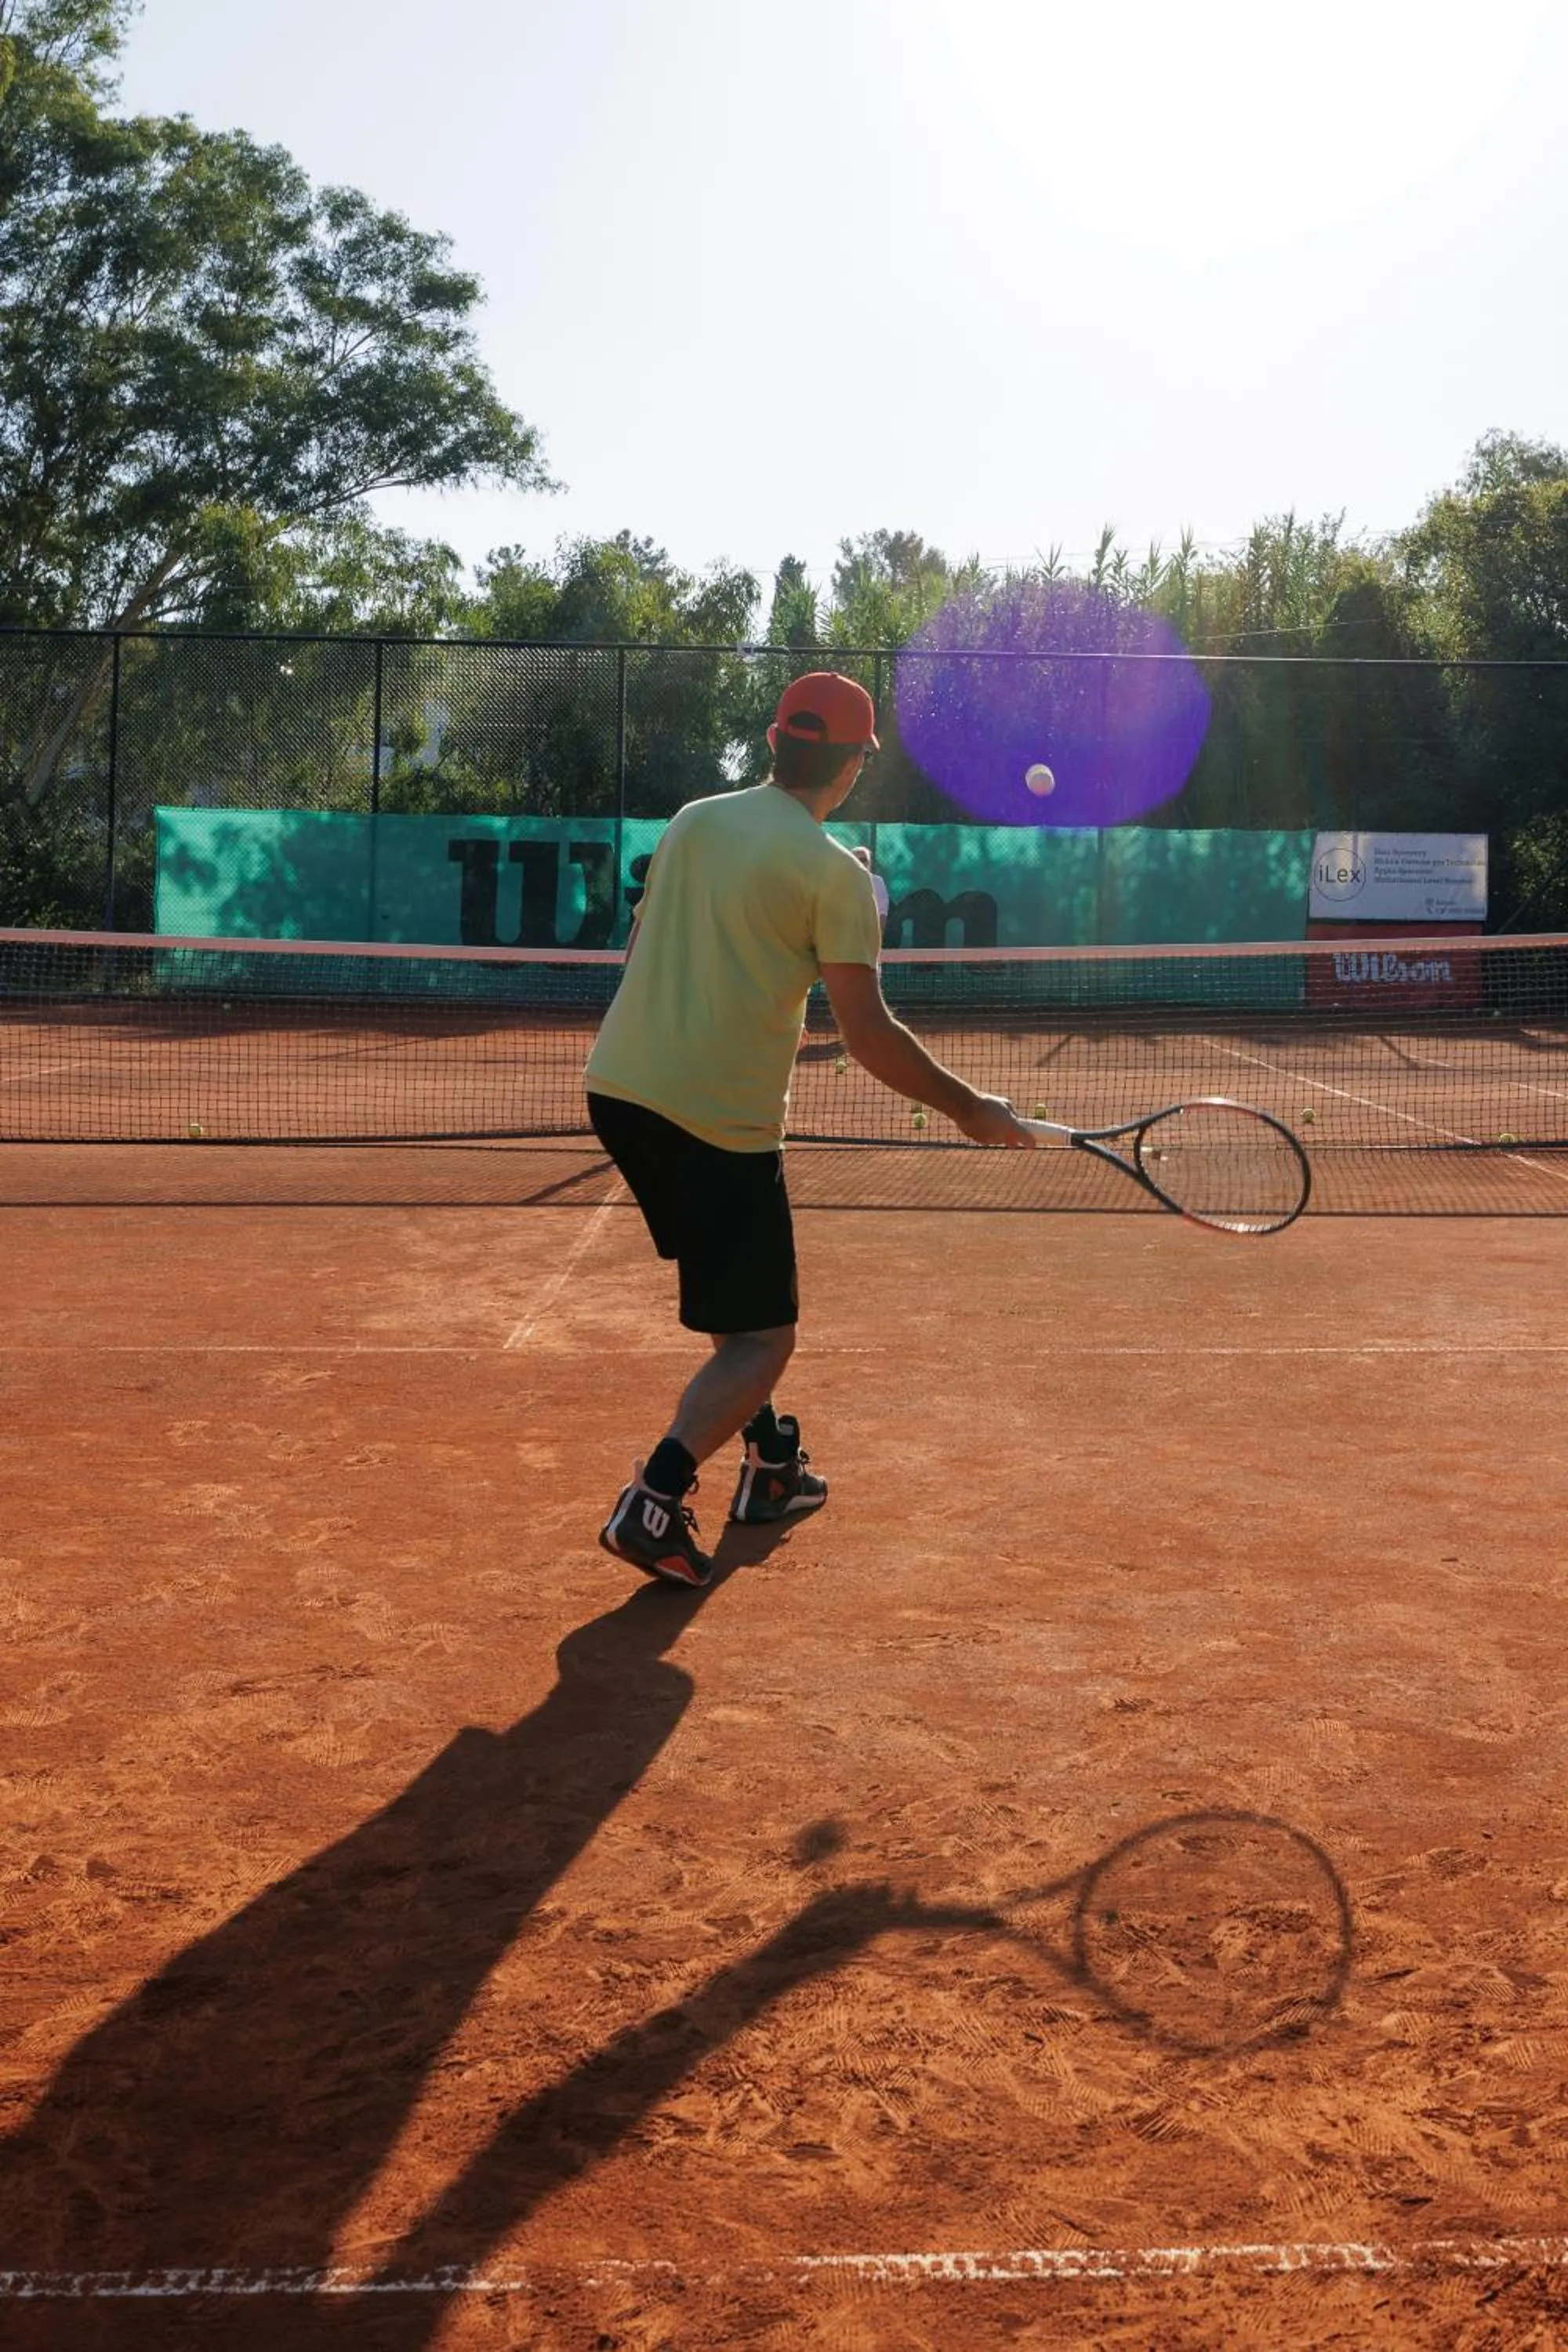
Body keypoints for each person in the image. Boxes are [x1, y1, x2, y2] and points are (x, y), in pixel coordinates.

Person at [584, 671, 1034, 1588]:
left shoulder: (692, 819)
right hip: (716, 1123)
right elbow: (867, 1033)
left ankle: (773, 1466)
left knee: (733, 1301)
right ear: (856, 765)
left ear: (774, 740)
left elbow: (651, 950)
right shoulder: (835, 874)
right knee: (763, 1337)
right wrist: (969, 1110)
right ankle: (656, 1498)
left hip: (619, 1092)